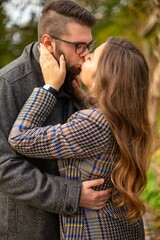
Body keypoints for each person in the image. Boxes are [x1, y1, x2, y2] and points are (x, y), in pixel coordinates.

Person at [9, 37, 151, 240]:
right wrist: (85, 98)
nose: (85, 55)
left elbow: (20, 138)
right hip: (124, 229)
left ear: (107, 74)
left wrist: (50, 87)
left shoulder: (93, 122)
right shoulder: (129, 118)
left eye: (92, 57)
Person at [0, 1, 111, 239]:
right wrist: (70, 195)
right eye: (79, 46)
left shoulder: (73, 76)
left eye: (88, 45)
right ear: (48, 43)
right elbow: (4, 167)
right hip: (32, 229)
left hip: (79, 227)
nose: (85, 55)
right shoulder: (7, 84)